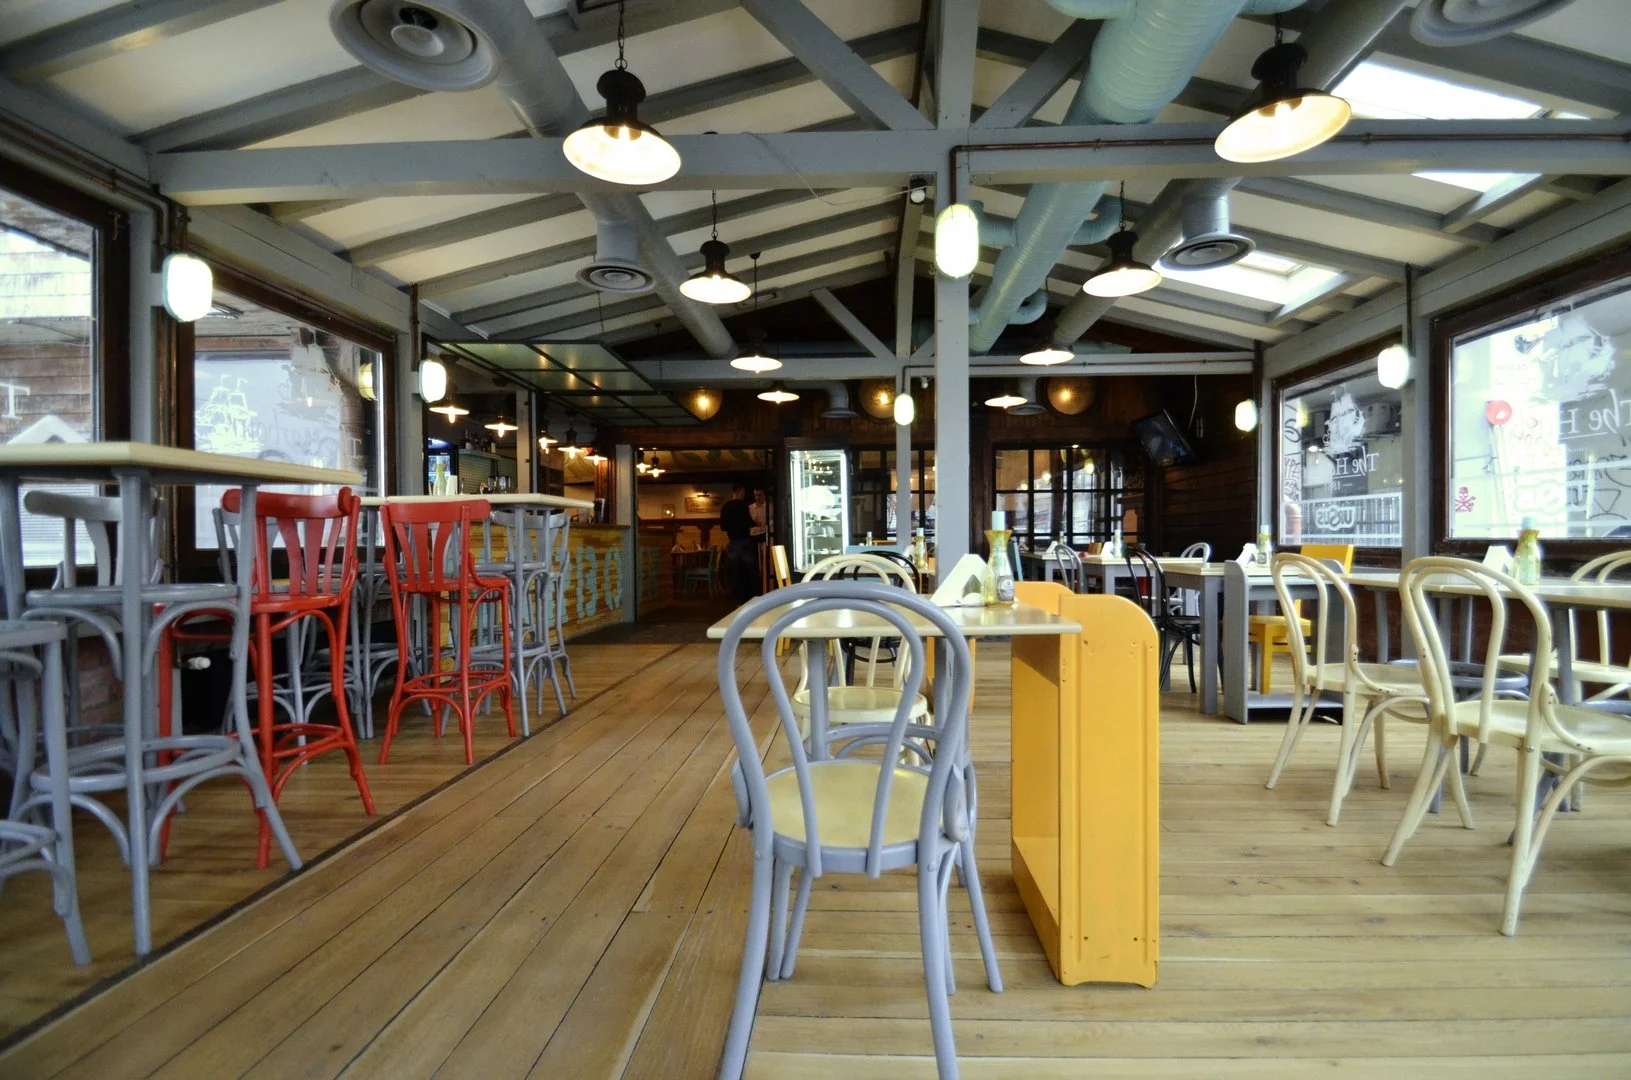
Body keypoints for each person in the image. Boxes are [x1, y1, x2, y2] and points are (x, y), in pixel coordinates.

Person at [719, 483, 758, 602]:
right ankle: (750, 597)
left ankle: (737, 599)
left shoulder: (725, 506)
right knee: (749, 570)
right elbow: (748, 522)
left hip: (733, 541)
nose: (744, 495)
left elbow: (723, 527)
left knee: (735, 571)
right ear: (740, 491)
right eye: (744, 492)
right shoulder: (743, 505)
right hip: (745, 541)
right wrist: (756, 523)